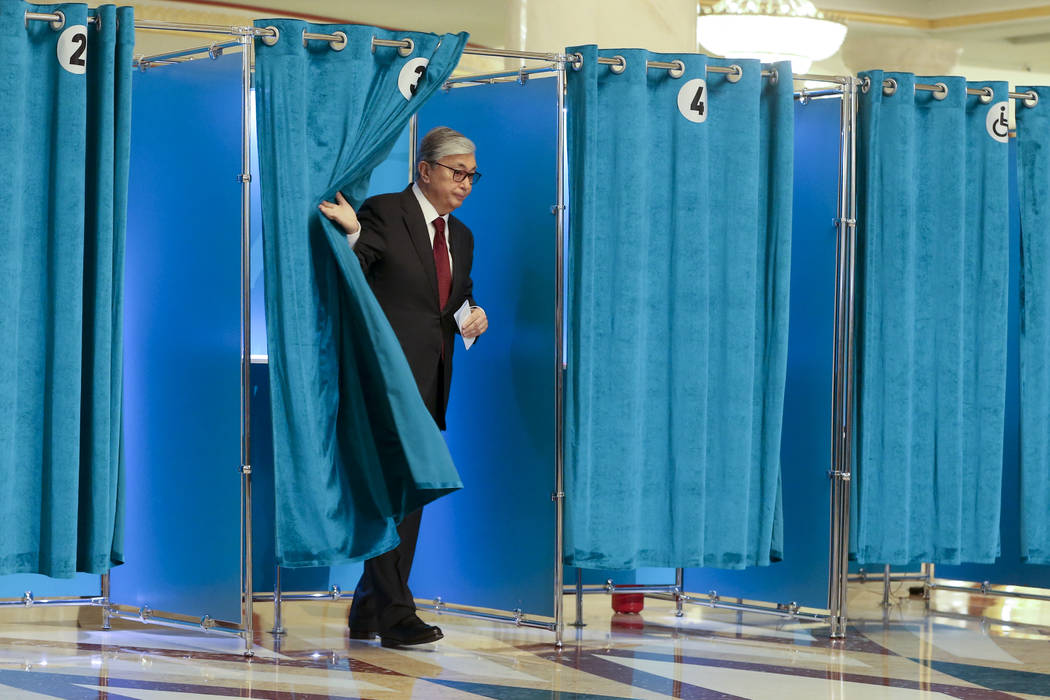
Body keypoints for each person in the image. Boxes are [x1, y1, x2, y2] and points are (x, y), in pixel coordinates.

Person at [318, 126, 488, 648]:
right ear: (424, 170)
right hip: (385, 381)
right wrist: (350, 233)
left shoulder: (461, 235)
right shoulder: (386, 212)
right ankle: (395, 613)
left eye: (472, 175)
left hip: (432, 381)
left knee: (408, 496)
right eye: (457, 172)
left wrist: (474, 316)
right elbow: (358, 271)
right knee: (392, 492)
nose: (466, 183)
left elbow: (454, 297)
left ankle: (369, 608)